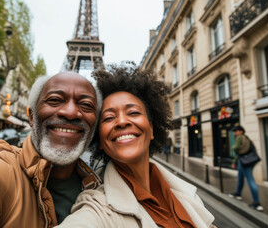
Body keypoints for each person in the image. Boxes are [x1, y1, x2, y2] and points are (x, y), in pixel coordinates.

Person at [0, 72, 102, 227]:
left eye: (86, 104)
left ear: (95, 125)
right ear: (31, 116)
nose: (70, 112)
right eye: (54, 100)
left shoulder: (100, 186)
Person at [57, 68, 215, 228]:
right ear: (100, 142)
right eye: (109, 117)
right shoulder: (97, 210)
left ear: (152, 129)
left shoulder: (184, 193)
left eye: (133, 112)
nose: (122, 122)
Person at [228, 125, 263, 211]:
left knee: (250, 180)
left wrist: (233, 148)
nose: (234, 133)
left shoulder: (240, 138)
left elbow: (236, 149)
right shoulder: (247, 138)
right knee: (240, 177)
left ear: (241, 131)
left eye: (236, 131)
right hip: (248, 160)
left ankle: (256, 202)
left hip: (244, 161)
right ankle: (238, 193)